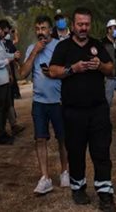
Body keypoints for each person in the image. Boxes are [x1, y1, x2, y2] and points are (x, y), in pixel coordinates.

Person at [48, 7, 116, 210]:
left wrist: (100, 66)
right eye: (80, 24)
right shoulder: (64, 47)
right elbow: (52, 71)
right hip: (73, 111)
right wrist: (72, 69)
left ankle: (105, 193)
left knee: (101, 152)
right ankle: (78, 188)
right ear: (73, 25)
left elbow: (110, 68)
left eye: (86, 24)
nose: (84, 28)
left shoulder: (97, 44)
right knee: (76, 152)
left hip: (98, 110)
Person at [19, 15, 69, 194]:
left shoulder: (60, 46)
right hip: (39, 103)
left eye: (44, 28)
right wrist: (34, 53)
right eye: (38, 29)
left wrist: (55, 74)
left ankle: (65, 172)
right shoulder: (32, 48)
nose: (41, 32)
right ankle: (45, 177)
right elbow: (23, 74)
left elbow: (69, 72)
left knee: (63, 138)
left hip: (59, 101)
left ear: (50, 29)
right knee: (40, 139)